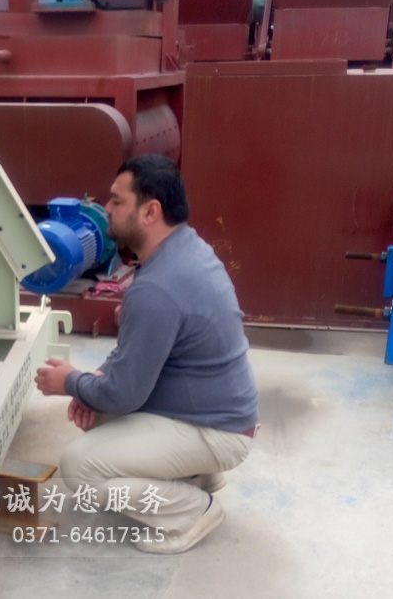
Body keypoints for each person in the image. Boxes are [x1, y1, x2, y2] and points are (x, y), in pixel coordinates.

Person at [35, 154, 259, 554]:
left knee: (79, 469)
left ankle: (192, 510)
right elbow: (140, 352)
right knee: (101, 409)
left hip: (218, 430)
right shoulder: (185, 248)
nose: (106, 209)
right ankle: (199, 475)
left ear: (150, 211)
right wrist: (96, 380)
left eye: (117, 200)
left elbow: (123, 395)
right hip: (220, 412)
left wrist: (69, 382)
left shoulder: (158, 287)